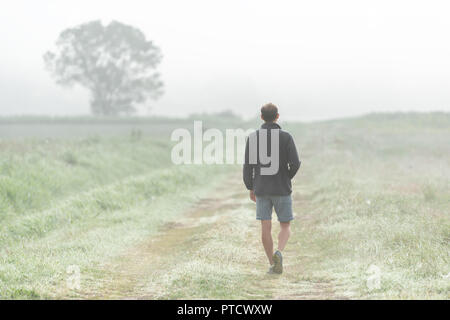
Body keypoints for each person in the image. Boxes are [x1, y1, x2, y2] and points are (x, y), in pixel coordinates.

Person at [243, 103, 301, 274]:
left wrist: (250, 186)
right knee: (285, 226)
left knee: (265, 226)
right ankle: (279, 252)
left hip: (261, 188)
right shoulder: (286, 137)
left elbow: (248, 166)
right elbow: (295, 163)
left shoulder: (253, 138)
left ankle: (272, 263)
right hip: (282, 188)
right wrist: (287, 176)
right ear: (277, 116)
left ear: (261, 117)